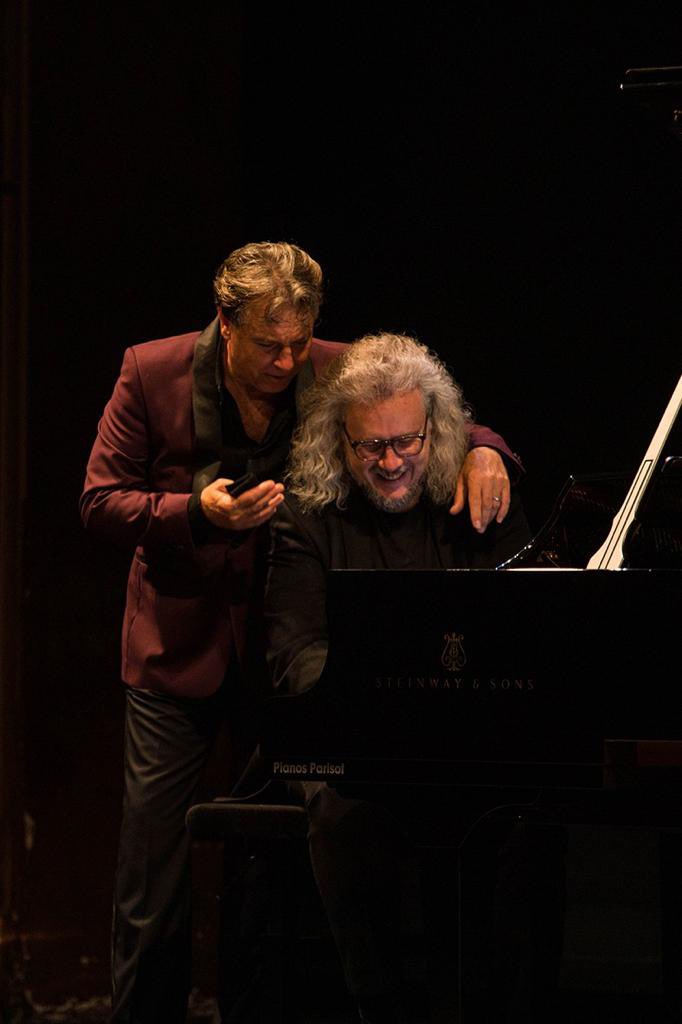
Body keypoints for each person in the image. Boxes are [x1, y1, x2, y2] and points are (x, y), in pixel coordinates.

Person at [80, 243, 520, 1023]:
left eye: (298, 339)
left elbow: (423, 409)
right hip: (177, 648)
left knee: (271, 870)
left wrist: (487, 450)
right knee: (155, 881)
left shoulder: (330, 365)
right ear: (226, 322)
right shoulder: (151, 371)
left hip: (282, 640)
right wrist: (192, 513)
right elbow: (99, 500)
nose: (288, 360)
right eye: (268, 344)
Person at [264, 333, 562, 1023]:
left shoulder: (477, 493)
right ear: (340, 442)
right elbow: (295, 651)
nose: (392, 462)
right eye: (371, 448)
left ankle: (504, 1005)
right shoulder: (305, 517)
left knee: (528, 815)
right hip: (349, 731)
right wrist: (372, 704)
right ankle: (382, 1005)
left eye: (407, 442)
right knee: (343, 808)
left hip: (467, 730)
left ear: (436, 430)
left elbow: (524, 638)